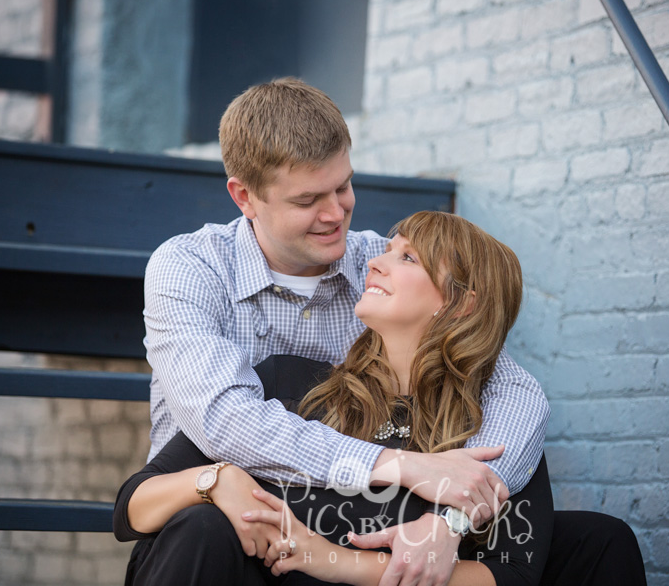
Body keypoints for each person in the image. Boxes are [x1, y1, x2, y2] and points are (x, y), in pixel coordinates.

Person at [137, 77, 552, 584]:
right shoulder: (190, 268)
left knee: (596, 541)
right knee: (204, 529)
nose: (335, 214)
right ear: (245, 196)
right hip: (216, 526)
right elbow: (226, 421)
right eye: (308, 199)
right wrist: (400, 466)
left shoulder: (375, 266)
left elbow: (510, 388)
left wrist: (454, 515)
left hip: (342, 532)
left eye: (343, 187)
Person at [115, 211, 563, 585]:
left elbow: (513, 572)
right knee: (200, 525)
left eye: (407, 257)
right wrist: (215, 479)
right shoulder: (292, 384)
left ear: (461, 305)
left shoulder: (488, 429)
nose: (376, 262)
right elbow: (131, 505)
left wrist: (334, 559)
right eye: (389, 250)